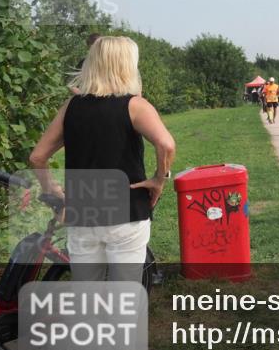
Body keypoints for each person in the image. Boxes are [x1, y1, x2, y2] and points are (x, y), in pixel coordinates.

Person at [28, 36, 176, 282]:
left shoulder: (71, 107)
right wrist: (159, 179)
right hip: (126, 212)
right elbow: (166, 144)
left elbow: (37, 157)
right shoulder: (135, 106)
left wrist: (51, 189)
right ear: (127, 65)